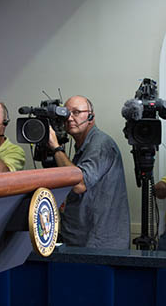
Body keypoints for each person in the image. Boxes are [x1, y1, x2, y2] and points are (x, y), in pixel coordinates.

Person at [49, 95, 130, 249]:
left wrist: (56, 147)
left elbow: (79, 184)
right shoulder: (83, 146)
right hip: (81, 239)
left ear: (91, 116)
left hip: (99, 244)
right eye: (66, 113)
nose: (70, 118)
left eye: (77, 112)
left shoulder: (100, 144)